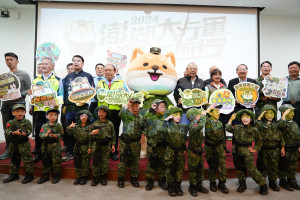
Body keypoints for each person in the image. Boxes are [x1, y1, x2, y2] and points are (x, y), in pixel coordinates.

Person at [89, 63, 128, 161]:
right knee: (101, 131)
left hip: (115, 111)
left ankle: (113, 152)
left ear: (115, 71)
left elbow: (128, 97)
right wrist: (95, 92)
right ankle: (101, 151)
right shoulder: (100, 83)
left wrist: (124, 92)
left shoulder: (121, 82)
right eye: (106, 70)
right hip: (102, 112)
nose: (108, 72)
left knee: (114, 131)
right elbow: (94, 99)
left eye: (110, 70)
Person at [226, 109, 268, 195]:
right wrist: (231, 119)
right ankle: (242, 184)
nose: (245, 118)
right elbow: (228, 128)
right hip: (236, 151)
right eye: (243, 117)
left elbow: (259, 140)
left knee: (252, 170)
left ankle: (263, 185)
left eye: (247, 117)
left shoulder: (254, 129)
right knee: (239, 169)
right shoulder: (237, 127)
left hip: (247, 152)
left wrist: (255, 148)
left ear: (251, 119)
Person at [62, 55, 94, 162]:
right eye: (74, 61)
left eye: (78, 61)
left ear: (83, 63)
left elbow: (91, 92)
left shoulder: (88, 76)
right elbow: (65, 93)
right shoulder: (68, 77)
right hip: (70, 108)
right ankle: (70, 151)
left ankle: (82, 150)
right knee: (70, 129)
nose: (76, 62)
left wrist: (86, 103)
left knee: (82, 129)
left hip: (82, 108)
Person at [28, 57, 61, 163]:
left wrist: (56, 102)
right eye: (41, 64)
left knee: (51, 132)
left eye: (46, 64)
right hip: (38, 110)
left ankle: (50, 154)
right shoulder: (35, 80)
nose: (43, 66)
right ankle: (38, 153)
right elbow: (32, 95)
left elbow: (60, 96)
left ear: (52, 66)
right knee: (38, 131)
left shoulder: (58, 80)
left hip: (51, 112)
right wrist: (30, 106)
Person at [0, 52, 31, 160]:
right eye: (7, 60)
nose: (9, 62)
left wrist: (18, 94)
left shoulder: (24, 74)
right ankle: (9, 149)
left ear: (17, 61)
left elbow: (29, 90)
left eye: (11, 59)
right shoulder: (4, 77)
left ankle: (22, 149)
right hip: (5, 106)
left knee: (20, 128)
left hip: (18, 105)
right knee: (7, 128)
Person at [256, 104, 285, 191]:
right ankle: (263, 184)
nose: (269, 115)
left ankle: (273, 182)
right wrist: (259, 117)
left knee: (274, 167)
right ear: (264, 114)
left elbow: (281, 136)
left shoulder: (277, 124)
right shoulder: (261, 124)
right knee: (263, 167)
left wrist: (282, 147)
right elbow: (256, 127)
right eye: (267, 113)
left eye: (271, 113)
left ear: (274, 115)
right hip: (264, 150)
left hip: (275, 149)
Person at [2, 104, 34, 184]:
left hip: (24, 143)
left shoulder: (27, 122)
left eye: (22, 111)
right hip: (13, 143)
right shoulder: (10, 122)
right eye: (17, 111)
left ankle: (29, 175)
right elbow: (7, 131)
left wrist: (25, 133)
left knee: (27, 159)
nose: (20, 113)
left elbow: (29, 130)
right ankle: (14, 174)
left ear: (25, 113)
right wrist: (13, 132)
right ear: (13, 113)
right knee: (14, 159)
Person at [117, 98, 144, 188]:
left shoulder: (141, 117)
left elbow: (144, 127)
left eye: (137, 106)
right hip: (125, 143)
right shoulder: (126, 115)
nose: (135, 108)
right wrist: (127, 105)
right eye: (133, 106)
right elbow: (120, 113)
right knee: (123, 161)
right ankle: (121, 179)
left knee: (135, 161)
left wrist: (143, 134)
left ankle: (134, 178)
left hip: (136, 143)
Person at [161, 107, 186, 196]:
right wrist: (167, 118)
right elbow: (161, 128)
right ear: (171, 116)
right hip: (171, 151)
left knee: (180, 168)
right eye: (175, 115)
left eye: (179, 114)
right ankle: (171, 186)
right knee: (170, 169)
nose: (178, 117)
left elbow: (183, 139)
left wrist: (184, 149)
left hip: (180, 152)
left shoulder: (182, 126)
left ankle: (178, 186)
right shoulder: (168, 125)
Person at [144, 99, 168, 191]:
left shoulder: (165, 118)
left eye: (164, 107)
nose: (164, 109)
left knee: (162, 164)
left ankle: (162, 180)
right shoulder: (150, 117)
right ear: (156, 108)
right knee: (151, 164)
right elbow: (144, 119)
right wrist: (151, 109)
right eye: (161, 107)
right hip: (152, 146)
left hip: (162, 146)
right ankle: (150, 181)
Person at [204, 104, 229, 193]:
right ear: (210, 113)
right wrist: (208, 110)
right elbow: (202, 117)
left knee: (222, 165)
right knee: (212, 165)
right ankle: (212, 182)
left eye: (219, 111)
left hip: (219, 147)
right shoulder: (206, 121)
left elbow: (222, 136)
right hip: (210, 148)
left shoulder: (220, 123)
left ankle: (222, 183)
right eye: (216, 111)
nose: (219, 113)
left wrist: (224, 147)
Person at [205, 68, 230, 153]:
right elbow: (205, 100)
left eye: (219, 74)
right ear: (212, 76)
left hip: (222, 112)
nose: (217, 76)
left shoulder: (225, 87)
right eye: (215, 74)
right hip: (212, 112)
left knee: (222, 129)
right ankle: (209, 146)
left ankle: (223, 146)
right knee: (210, 130)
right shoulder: (207, 87)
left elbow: (229, 99)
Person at [173, 62, 204, 130]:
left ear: (197, 70)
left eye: (194, 69)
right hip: (184, 111)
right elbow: (176, 93)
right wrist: (179, 100)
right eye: (191, 68)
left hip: (197, 112)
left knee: (196, 132)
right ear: (187, 70)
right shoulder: (181, 81)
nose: (193, 70)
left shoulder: (201, 82)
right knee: (183, 130)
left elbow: (204, 95)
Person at [89, 105, 115, 186]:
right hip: (96, 145)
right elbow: (89, 136)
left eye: (103, 112)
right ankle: (96, 178)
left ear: (106, 113)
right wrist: (90, 146)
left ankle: (103, 177)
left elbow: (113, 135)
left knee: (105, 162)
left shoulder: (110, 123)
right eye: (99, 111)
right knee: (96, 162)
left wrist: (113, 145)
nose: (100, 113)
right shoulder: (94, 123)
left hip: (106, 145)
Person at [186, 107, 209, 196]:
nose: (201, 115)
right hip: (193, 151)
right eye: (199, 114)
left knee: (200, 168)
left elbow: (204, 121)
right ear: (194, 117)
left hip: (199, 150)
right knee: (193, 169)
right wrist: (203, 116)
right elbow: (201, 124)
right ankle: (192, 186)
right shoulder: (193, 125)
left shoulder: (197, 122)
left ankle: (199, 184)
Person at [37, 108, 64, 184]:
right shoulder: (44, 126)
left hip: (55, 145)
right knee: (45, 161)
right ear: (47, 116)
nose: (53, 117)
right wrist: (46, 134)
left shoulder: (58, 126)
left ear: (57, 117)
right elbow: (40, 134)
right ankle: (45, 175)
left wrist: (55, 135)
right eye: (51, 115)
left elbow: (62, 135)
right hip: (45, 145)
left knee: (56, 161)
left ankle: (56, 175)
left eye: (55, 115)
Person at [277, 104, 300, 191]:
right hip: (286, 148)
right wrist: (282, 147)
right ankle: (282, 181)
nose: (292, 114)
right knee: (283, 165)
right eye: (290, 112)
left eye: (293, 111)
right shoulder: (281, 122)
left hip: (294, 147)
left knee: (292, 165)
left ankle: (291, 180)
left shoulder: (294, 123)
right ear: (284, 113)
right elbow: (280, 132)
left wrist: (298, 145)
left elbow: (298, 135)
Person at [67, 110, 93, 185]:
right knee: (77, 162)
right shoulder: (76, 126)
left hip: (86, 146)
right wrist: (70, 127)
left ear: (88, 117)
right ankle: (78, 177)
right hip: (77, 147)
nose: (83, 118)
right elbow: (69, 133)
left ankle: (84, 177)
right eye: (82, 116)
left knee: (85, 163)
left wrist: (90, 147)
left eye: (85, 116)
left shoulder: (90, 127)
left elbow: (91, 139)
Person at [59, 63, 74, 152]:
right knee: (65, 126)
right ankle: (66, 145)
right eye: (69, 68)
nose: (70, 70)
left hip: (77, 107)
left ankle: (74, 146)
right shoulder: (63, 80)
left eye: (72, 68)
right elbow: (61, 93)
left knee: (75, 126)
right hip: (66, 107)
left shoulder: (80, 80)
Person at [282, 61, 300, 127]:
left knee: (298, 125)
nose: (293, 69)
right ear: (288, 70)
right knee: (285, 125)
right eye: (291, 68)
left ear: (299, 69)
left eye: (295, 68)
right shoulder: (283, 80)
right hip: (286, 104)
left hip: (298, 105)